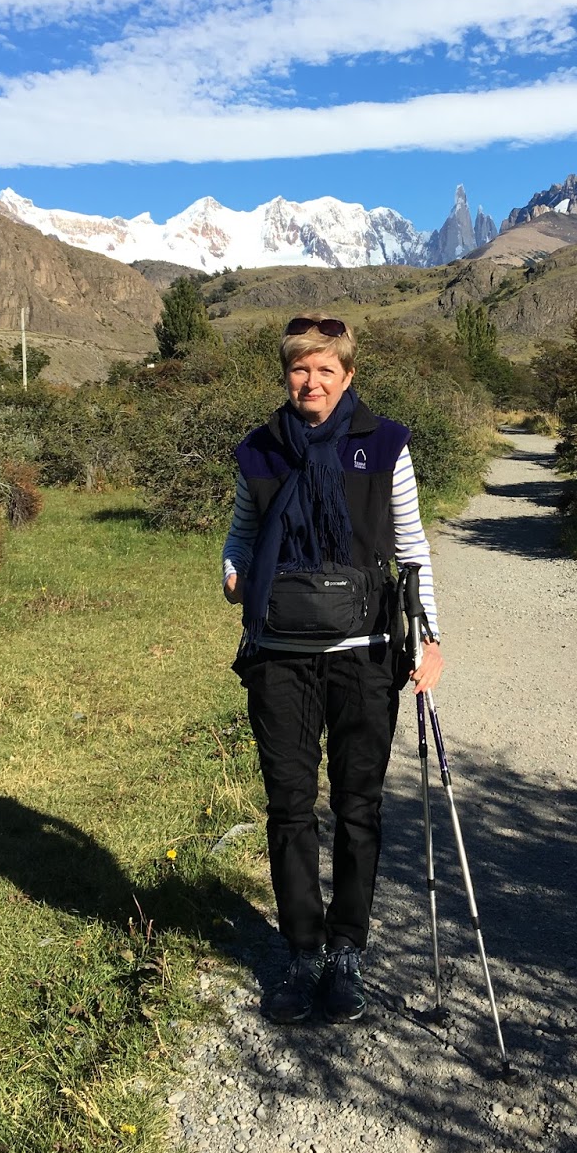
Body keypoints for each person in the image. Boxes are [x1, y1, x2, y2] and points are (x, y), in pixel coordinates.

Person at [223, 314, 444, 1024]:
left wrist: (431, 637)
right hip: (280, 657)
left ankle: (347, 949)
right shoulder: (259, 450)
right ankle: (302, 953)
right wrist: (232, 572)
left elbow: (411, 546)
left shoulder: (383, 445)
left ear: (348, 376)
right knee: (289, 808)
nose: (310, 380)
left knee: (358, 808)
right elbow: (240, 535)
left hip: (365, 654)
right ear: (285, 375)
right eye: (299, 368)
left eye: (325, 369)